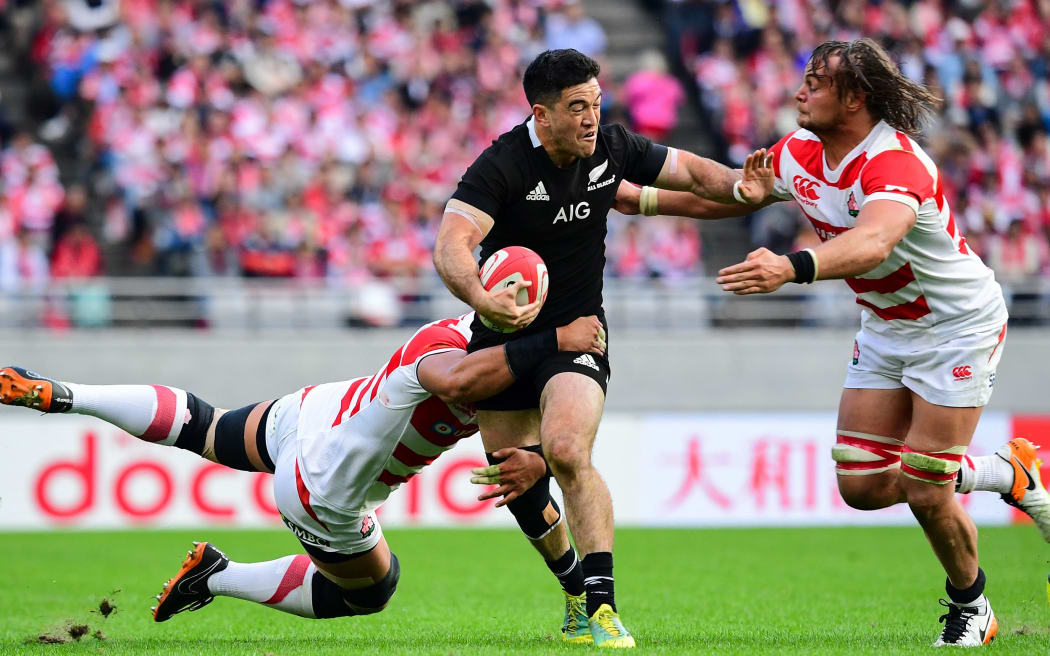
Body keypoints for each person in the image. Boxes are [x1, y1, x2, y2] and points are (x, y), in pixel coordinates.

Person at [615, 38, 1050, 647]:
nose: (799, 92)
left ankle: (972, 606)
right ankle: (1008, 472)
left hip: (955, 327)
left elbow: (872, 243)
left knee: (927, 487)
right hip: (886, 325)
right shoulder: (799, 152)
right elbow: (743, 194)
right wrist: (643, 201)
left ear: (855, 98)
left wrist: (791, 267)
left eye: (815, 83)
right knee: (861, 485)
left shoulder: (894, 163)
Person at [433, 48, 773, 648]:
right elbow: (452, 244)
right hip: (505, 333)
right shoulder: (502, 166)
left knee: (565, 449)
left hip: (580, 334)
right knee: (520, 482)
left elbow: (695, 176)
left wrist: (743, 185)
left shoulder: (614, 148)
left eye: (595, 103)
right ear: (541, 114)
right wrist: (482, 301)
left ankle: (603, 607)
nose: (592, 117)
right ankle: (571, 587)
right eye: (576, 108)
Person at [0, 304, 607, 634]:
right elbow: (460, 382)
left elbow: (522, 466)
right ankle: (216, 576)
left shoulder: (453, 328)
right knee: (373, 591)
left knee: (205, 429)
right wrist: (555, 341)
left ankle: (66, 393)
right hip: (325, 484)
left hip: (314, 412)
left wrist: (535, 451)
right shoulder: (454, 356)